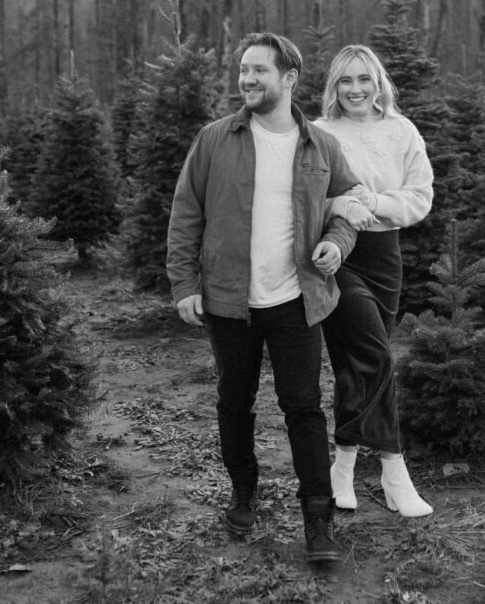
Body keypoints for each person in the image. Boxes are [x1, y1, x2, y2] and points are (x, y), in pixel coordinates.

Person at [166, 32, 359, 563]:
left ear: (289, 79)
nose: (246, 80)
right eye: (243, 70)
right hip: (230, 303)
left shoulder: (322, 145)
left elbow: (347, 208)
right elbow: (186, 213)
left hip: (298, 301)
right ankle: (244, 493)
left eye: (259, 71)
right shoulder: (214, 139)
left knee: (304, 409)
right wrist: (184, 285)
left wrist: (335, 245)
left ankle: (317, 520)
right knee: (234, 401)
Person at [313, 44, 435, 518]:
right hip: (336, 254)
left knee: (357, 364)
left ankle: (341, 467)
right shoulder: (320, 132)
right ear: (334, 87)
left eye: (364, 79)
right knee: (377, 354)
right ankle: (393, 471)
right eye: (346, 81)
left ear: (379, 83)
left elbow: (420, 197)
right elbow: (301, 198)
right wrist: (344, 207)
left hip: (385, 256)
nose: (356, 89)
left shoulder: (401, 130)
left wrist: (376, 202)